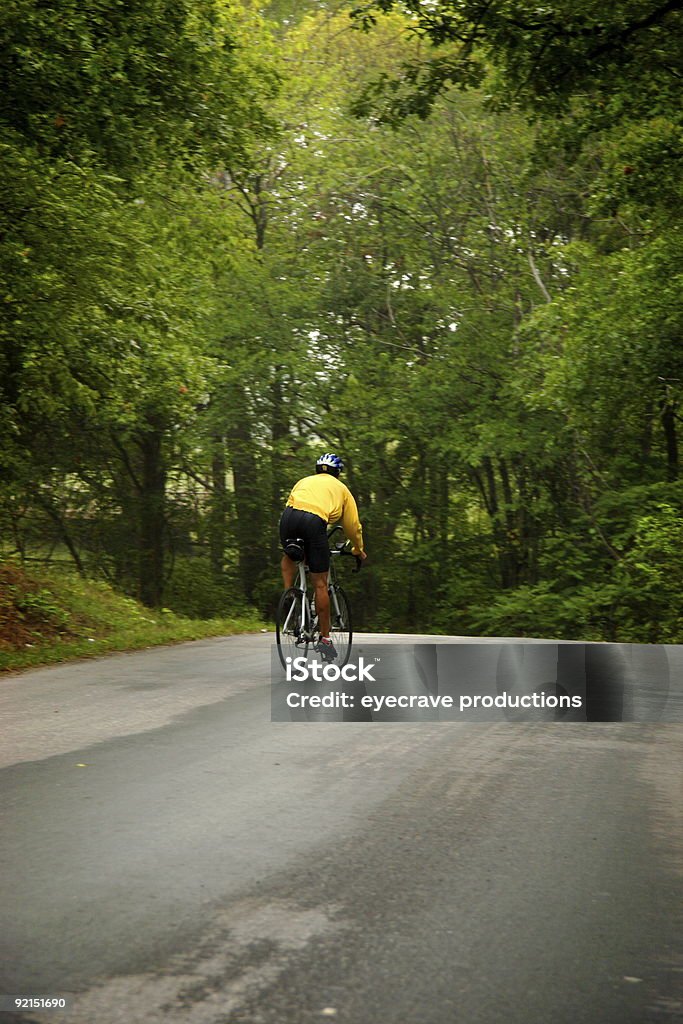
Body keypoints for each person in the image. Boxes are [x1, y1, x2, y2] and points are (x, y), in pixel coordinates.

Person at [280, 453, 367, 661]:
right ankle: (325, 640)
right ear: (337, 473)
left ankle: (290, 597)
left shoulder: (303, 481)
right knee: (320, 584)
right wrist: (358, 549)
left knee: (289, 555)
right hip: (314, 521)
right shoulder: (342, 490)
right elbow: (352, 527)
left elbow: (293, 504)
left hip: (288, 518)